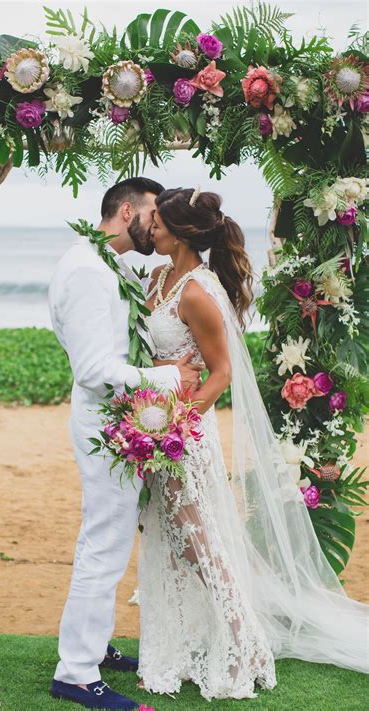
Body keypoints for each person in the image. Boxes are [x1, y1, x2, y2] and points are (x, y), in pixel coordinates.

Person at [136, 187, 369, 702]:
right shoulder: (157, 279)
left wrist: (173, 429)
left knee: (202, 545)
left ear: (179, 231)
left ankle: (247, 647)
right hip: (153, 431)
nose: (149, 227)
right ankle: (180, 647)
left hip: (181, 439)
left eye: (157, 221)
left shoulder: (197, 291)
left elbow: (218, 375)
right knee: (171, 544)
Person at [48, 178, 203, 710]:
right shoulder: (90, 271)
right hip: (103, 429)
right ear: (125, 210)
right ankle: (75, 671)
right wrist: (167, 378)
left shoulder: (96, 262)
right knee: (105, 545)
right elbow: (93, 368)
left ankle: (94, 645)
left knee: (106, 539)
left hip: (111, 424)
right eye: (154, 214)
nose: (158, 226)